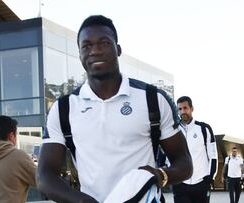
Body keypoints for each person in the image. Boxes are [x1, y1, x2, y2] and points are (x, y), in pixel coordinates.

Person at [37, 15, 193, 203]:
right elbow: (45, 176)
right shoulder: (63, 109)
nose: (94, 51)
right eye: (86, 46)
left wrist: (160, 175)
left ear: (118, 49)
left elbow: (184, 163)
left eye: (103, 43)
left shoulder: (152, 99)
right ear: (79, 55)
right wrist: (81, 201)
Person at [173, 96, 218, 203]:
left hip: (201, 183)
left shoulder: (204, 128)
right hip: (180, 184)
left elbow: (213, 155)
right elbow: (166, 156)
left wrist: (210, 178)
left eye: (185, 108)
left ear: (191, 109)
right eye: (180, 109)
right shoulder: (173, 130)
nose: (183, 111)